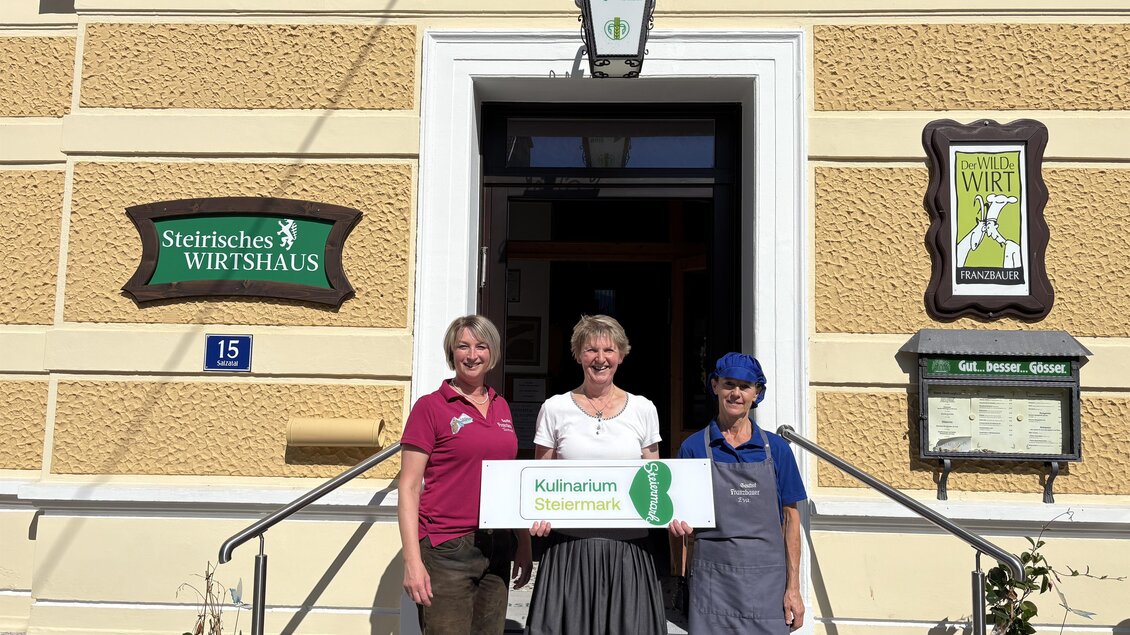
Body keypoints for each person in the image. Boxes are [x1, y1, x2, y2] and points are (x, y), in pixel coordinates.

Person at [525, 314, 666, 635]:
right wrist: (538, 514)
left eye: (608, 350)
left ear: (621, 355)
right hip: (570, 550)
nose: (600, 358)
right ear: (578, 355)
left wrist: (673, 514)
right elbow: (539, 479)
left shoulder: (643, 409)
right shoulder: (554, 408)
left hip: (629, 551)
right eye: (591, 350)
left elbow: (654, 480)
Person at [398, 314, 533, 634]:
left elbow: (510, 481)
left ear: (492, 352)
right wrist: (412, 562)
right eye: (463, 346)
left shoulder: (502, 406)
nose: (472, 355)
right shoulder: (430, 407)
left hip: (497, 546)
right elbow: (409, 487)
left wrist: (523, 543)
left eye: (481, 346)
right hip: (447, 549)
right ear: (451, 352)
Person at [668, 352, 807, 634]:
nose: (736, 393)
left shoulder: (777, 450)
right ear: (715, 386)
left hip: (767, 584)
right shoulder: (693, 448)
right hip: (712, 583)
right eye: (729, 384)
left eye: (745, 386)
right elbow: (678, 523)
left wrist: (793, 588)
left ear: (757, 393)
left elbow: (792, 520)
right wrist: (680, 578)